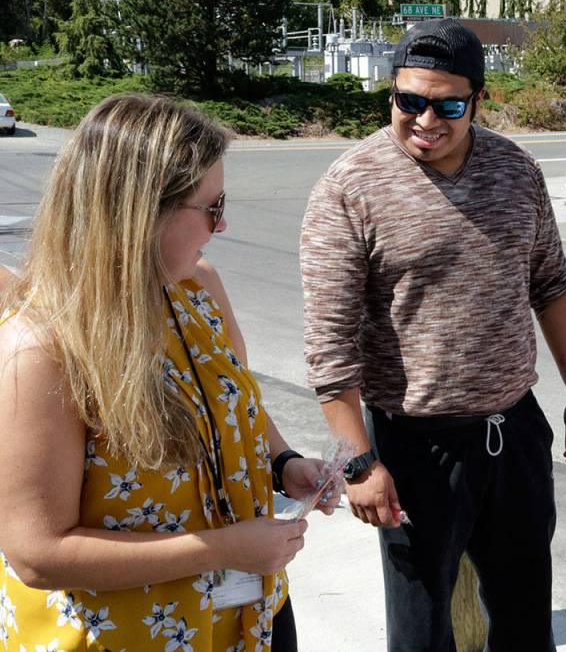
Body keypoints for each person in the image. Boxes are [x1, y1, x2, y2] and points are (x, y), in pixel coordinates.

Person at [300, 18, 566, 651]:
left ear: (478, 101)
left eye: (448, 104)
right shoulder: (351, 186)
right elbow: (330, 345)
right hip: (413, 450)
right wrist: (358, 460)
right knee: (420, 633)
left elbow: (550, 282)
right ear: (392, 94)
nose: (425, 119)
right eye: (409, 101)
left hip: (514, 433)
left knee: (524, 625)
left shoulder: (516, 172)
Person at [0, 94, 333, 651]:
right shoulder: (41, 346)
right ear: (139, 212)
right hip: (129, 636)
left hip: (250, 619)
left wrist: (283, 462)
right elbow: (37, 553)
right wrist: (223, 549)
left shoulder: (195, 286)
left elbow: (236, 397)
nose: (223, 224)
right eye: (211, 205)